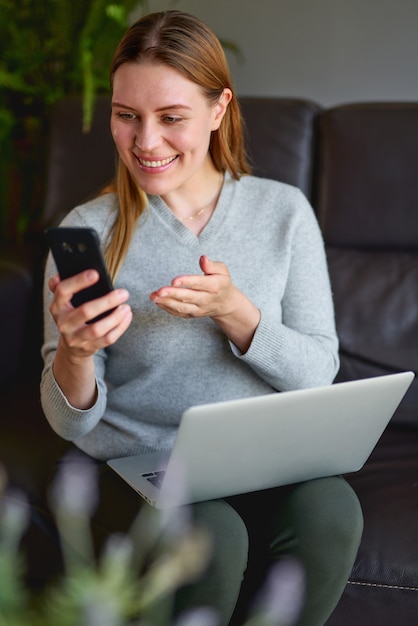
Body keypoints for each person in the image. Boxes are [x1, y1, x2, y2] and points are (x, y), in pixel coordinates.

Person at [41, 10, 363, 626]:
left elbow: (319, 372)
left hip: (271, 457)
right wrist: (75, 354)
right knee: (212, 536)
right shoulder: (90, 230)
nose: (145, 143)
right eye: (125, 115)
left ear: (218, 110)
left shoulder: (283, 212)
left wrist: (239, 315)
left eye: (171, 118)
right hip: (153, 465)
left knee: (333, 512)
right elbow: (66, 422)